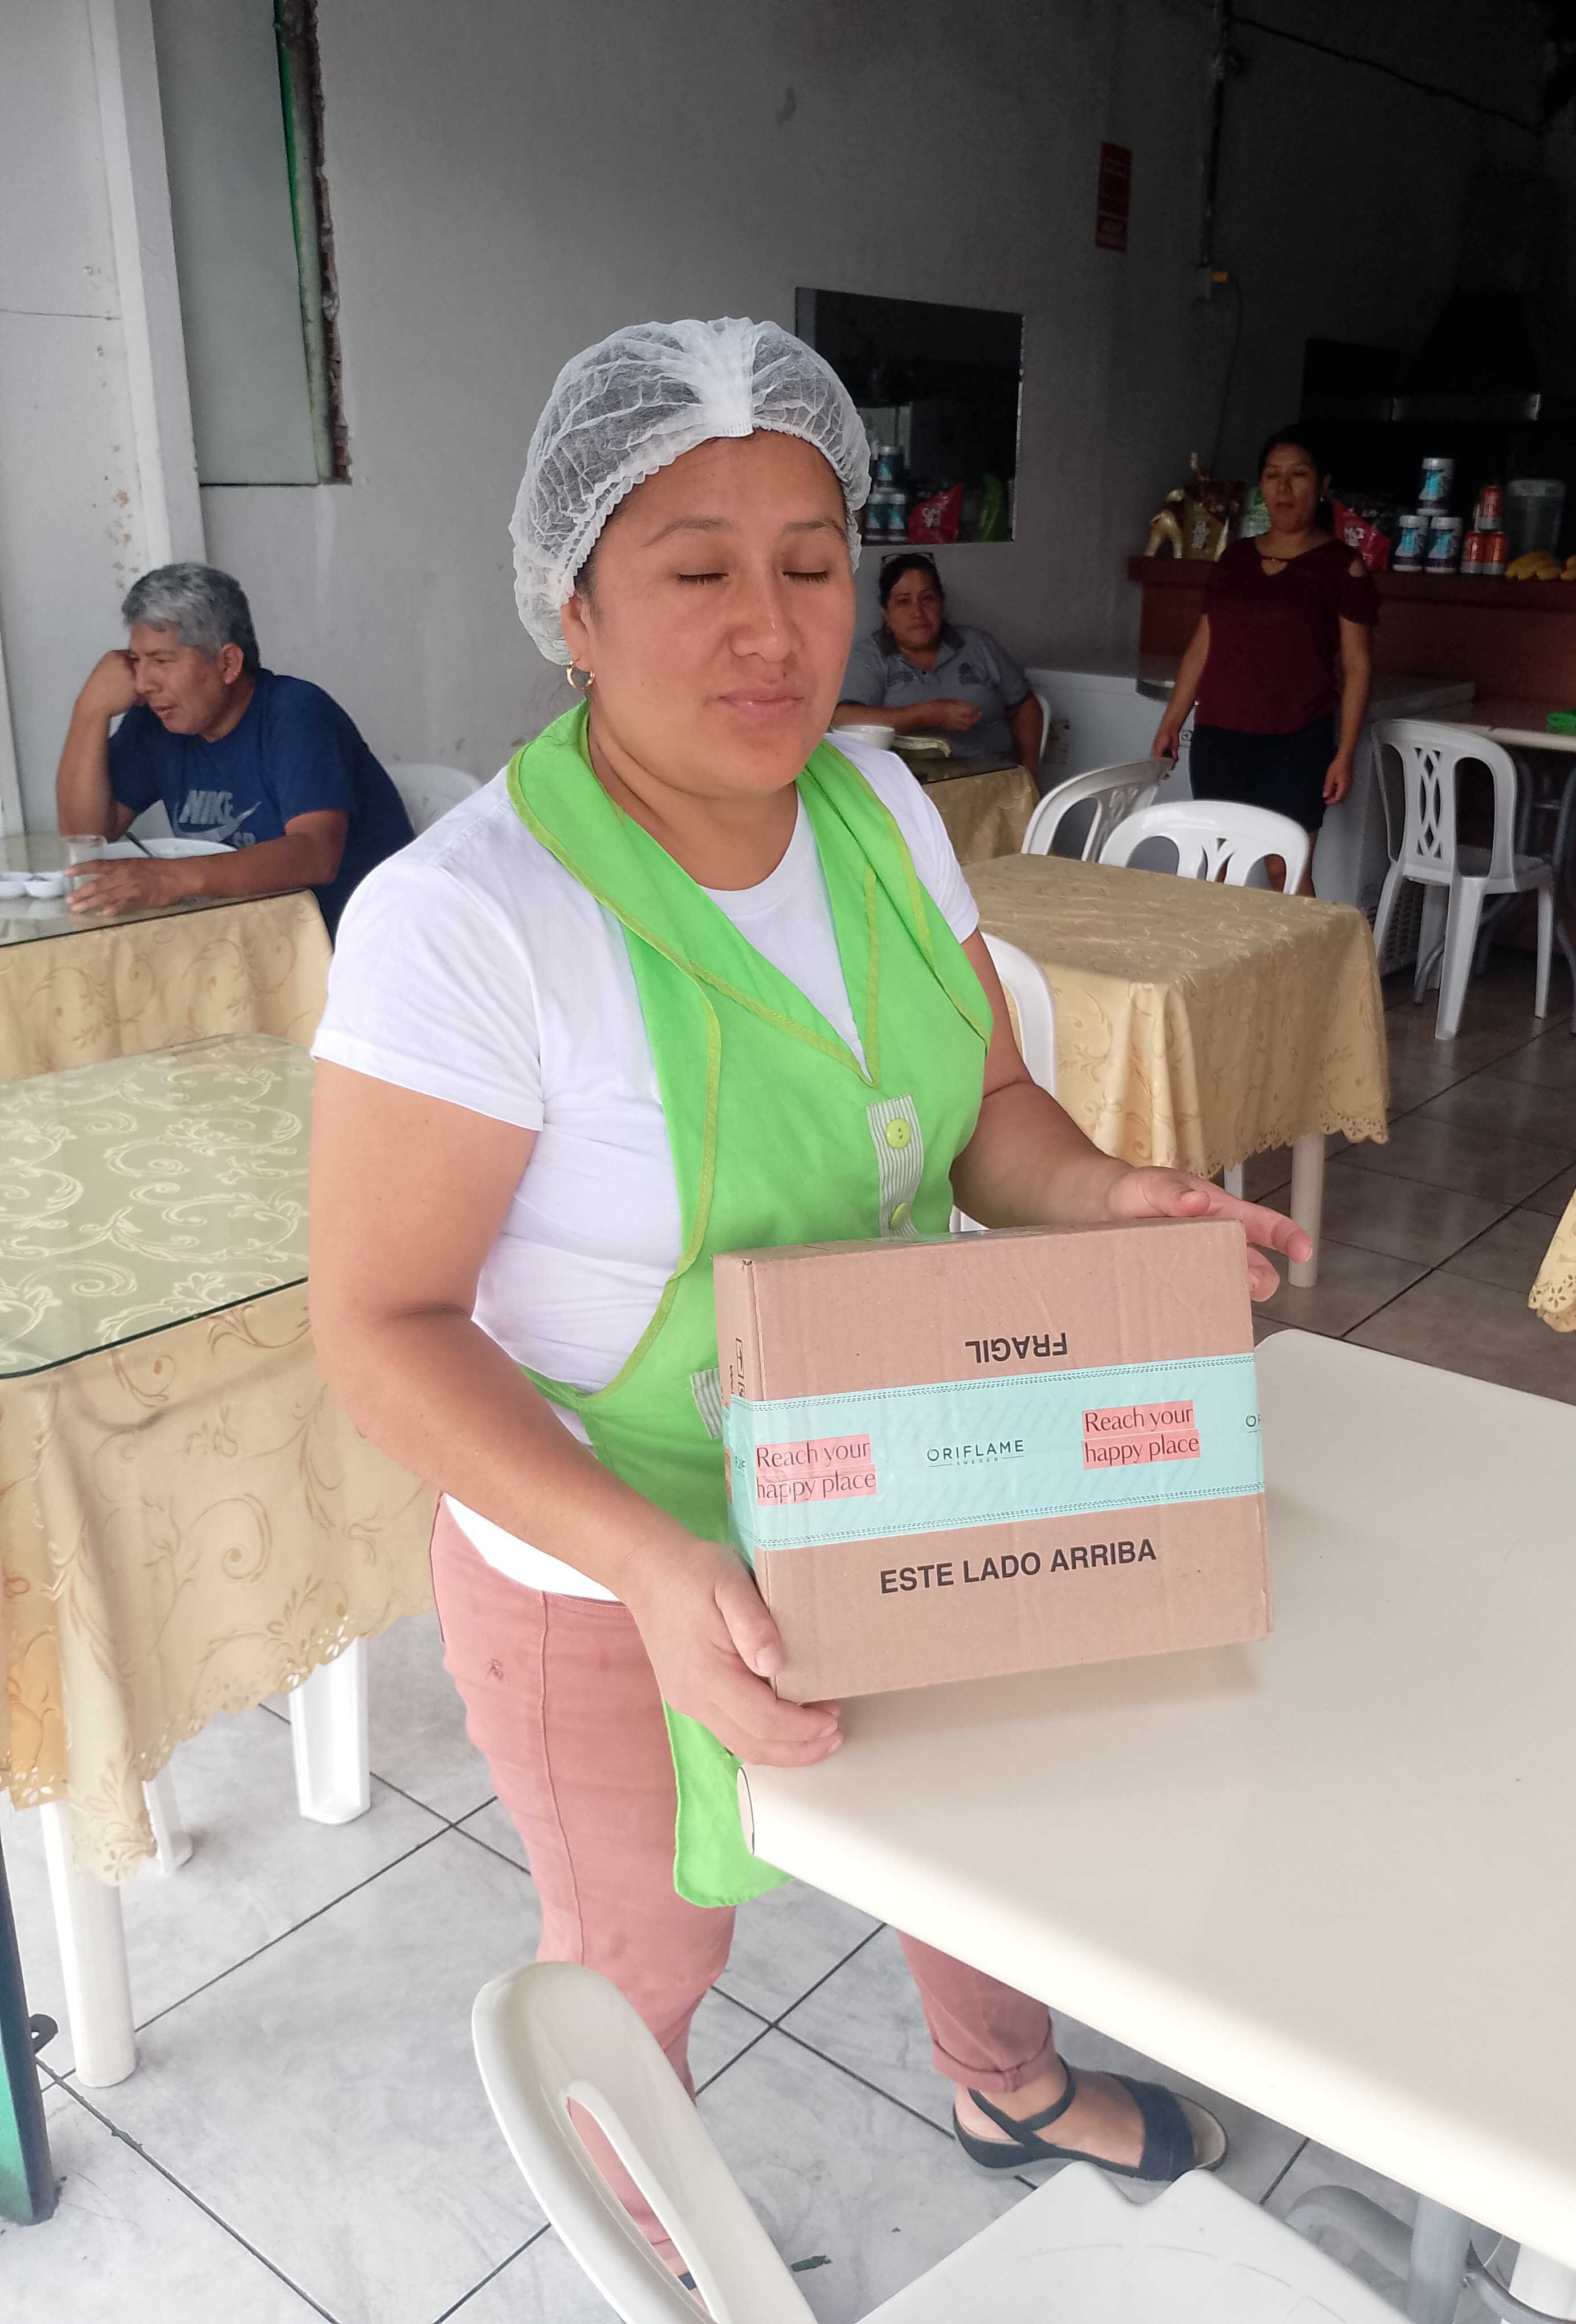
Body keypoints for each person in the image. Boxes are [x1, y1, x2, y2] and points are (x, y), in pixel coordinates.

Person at [308, 317, 1309, 2278]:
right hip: (603, 1549)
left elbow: (986, 1110)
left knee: (983, 1844)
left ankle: (1002, 2082)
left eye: (810, 562)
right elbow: (381, 1325)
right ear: (574, 608)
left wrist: (1111, 1200)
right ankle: (652, 2236)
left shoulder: (882, 812)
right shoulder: (469, 922)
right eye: (695, 570)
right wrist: (655, 1570)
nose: (769, 627)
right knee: (643, 1944)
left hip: (894, 1454)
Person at [55, 563, 414, 936]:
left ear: (227, 663)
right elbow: (86, 836)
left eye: (161, 661)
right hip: (244, 938)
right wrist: (90, 711)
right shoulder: (159, 720)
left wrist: (169, 879)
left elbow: (315, 854)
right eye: (135, 661)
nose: (143, 683)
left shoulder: (295, 712)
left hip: (356, 942)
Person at [1149, 429, 1377, 884]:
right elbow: (1202, 646)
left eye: (1298, 475)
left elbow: (1357, 667)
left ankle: (1308, 940)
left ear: (1323, 485)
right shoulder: (1233, 561)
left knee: (1285, 870)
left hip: (1299, 741)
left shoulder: (1341, 566)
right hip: (1220, 738)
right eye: (1273, 476)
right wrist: (1172, 720)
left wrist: (1345, 754)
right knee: (1217, 867)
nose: (1284, 487)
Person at [836, 551, 1043, 769]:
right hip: (911, 783)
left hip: (994, 775)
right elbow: (844, 719)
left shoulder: (976, 645)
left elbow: (1025, 706)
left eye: (928, 598)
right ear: (886, 613)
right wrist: (928, 714)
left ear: (942, 604)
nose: (918, 612)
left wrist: (1029, 772)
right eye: (903, 601)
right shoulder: (872, 655)